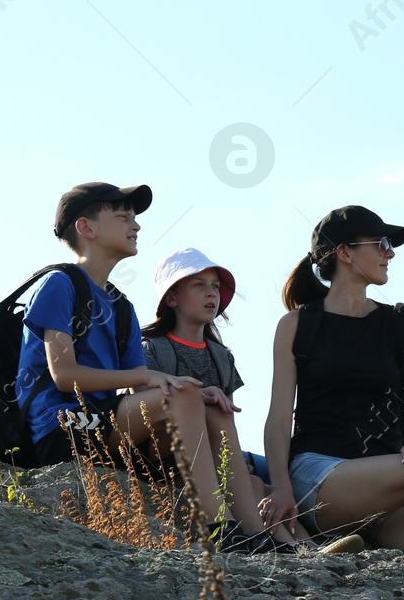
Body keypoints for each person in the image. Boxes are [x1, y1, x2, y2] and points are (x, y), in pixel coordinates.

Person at [14, 183, 255, 545]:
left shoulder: (121, 306)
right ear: (86, 228)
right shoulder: (59, 284)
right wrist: (150, 376)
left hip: (105, 426)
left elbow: (146, 396)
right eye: (123, 216)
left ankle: (256, 535)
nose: (136, 225)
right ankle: (217, 527)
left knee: (213, 405)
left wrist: (200, 395)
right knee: (182, 395)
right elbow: (64, 376)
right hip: (61, 427)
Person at [261, 206, 404, 554]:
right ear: (344, 252)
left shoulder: (401, 323)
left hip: (382, 491)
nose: (390, 253)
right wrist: (281, 488)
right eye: (381, 243)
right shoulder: (298, 326)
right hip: (318, 475)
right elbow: (279, 419)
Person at [140, 248, 296, 551]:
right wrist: (199, 396)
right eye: (198, 285)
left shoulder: (222, 357)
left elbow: (228, 421)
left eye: (215, 286)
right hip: (162, 452)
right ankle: (232, 531)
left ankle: (280, 545)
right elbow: (145, 408)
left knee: (253, 484)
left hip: (212, 456)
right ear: (171, 298)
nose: (211, 294)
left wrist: (235, 461)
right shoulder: (152, 347)